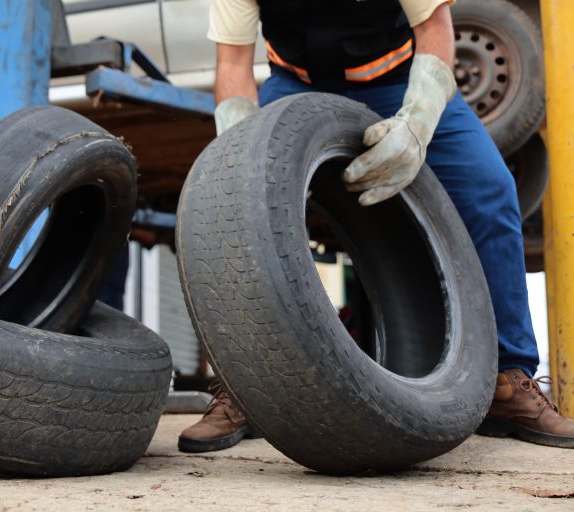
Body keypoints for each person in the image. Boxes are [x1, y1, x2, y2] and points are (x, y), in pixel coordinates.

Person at [178, 0, 574, 454]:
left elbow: (436, 27)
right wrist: (236, 160)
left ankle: (508, 383)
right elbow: (232, 63)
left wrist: (418, 122)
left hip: (402, 80)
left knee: (490, 190)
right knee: (236, 215)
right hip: (295, 89)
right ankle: (244, 387)